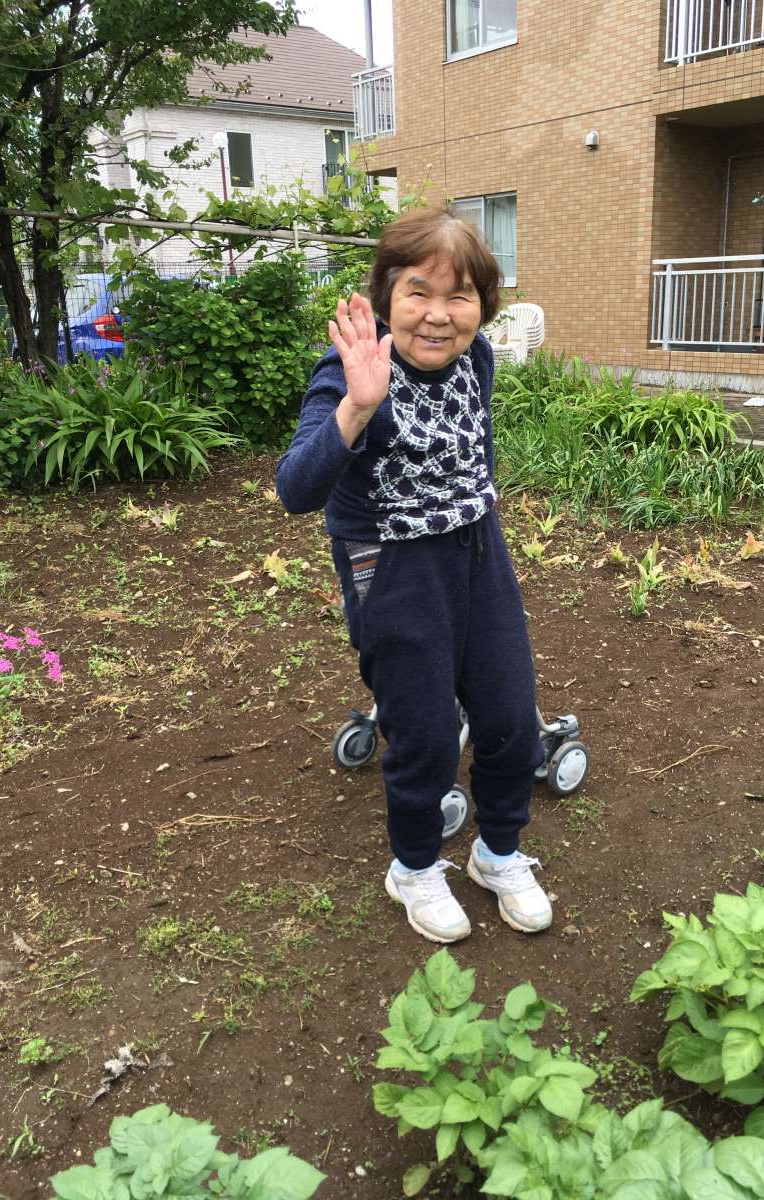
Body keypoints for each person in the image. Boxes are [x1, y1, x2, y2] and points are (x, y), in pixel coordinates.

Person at [277, 207, 551, 944]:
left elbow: (471, 450)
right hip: (392, 562)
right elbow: (295, 489)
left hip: (477, 547)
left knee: (509, 715)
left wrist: (472, 521)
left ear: (482, 306)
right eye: (418, 292)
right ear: (387, 297)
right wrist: (358, 408)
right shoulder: (346, 370)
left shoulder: (477, 357)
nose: (438, 314)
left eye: (460, 295)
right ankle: (416, 868)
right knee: (425, 733)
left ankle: (498, 854)